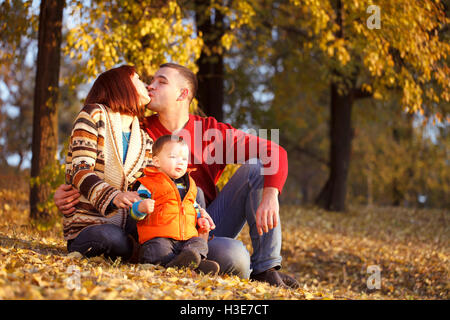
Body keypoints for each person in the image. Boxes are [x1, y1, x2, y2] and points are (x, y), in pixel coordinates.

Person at [56, 63, 299, 288]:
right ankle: (168, 258)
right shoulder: (138, 130)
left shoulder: (211, 134)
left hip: (201, 226)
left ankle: (265, 268)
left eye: (161, 82)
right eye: (150, 81)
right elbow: (102, 162)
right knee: (234, 257)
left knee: (255, 172)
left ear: (182, 94)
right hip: (157, 226)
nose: (151, 85)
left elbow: (274, 151)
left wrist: (270, 194)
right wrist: (67, 190)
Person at [63, 65, 153, 262]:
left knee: (145, 237)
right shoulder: (93, 115)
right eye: (138, 78)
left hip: (127, 225)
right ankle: (138, 251)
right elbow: (80, 170)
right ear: (122, 84)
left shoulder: (145, 139)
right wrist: (114, 196)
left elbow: (146, 183)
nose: (146, 84)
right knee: (109, 237)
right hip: (89, 226)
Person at [130, 134, 219, 275]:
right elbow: (134, 211)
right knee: (157, 249)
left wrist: (199, 218)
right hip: (159, 237)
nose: (180, 162)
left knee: (199, 243)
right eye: (173, 157)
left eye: (184, 159)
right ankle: (188, 267)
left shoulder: (189, 185)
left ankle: (183, 263)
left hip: (185, 241)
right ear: (157, 161)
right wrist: (141, 208)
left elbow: (192, 207)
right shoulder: (148, 183)